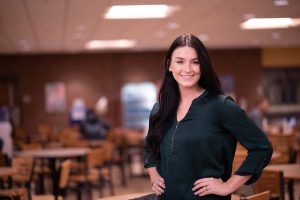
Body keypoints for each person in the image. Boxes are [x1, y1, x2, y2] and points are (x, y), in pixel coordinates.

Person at [144, 34, 273, 200]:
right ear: (169, 65)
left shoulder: (221, 106)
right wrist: (153, 173)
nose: (187, 69)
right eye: (180, 61)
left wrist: (228, 186)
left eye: (195, 62)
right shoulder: (159, 110)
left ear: (203, 66)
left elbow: (261, 148)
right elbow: (150, 147)